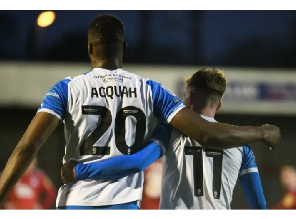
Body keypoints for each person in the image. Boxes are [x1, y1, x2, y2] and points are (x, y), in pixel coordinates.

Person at [0, 14, 280, 210]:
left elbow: (26, 147)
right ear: (125, 47)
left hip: (76, 202)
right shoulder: (150, 91)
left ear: (90, 48)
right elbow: (206, 132)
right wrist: (260, 131)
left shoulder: (67, 89)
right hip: (125, 204)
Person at [61, 67, 268, 209]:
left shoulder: (170, 131)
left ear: (190, 97)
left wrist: (80, 170)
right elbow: (259, 206)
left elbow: (137, 162)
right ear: (219, 105)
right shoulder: (241, 145)